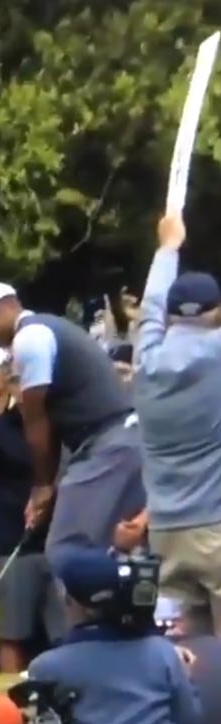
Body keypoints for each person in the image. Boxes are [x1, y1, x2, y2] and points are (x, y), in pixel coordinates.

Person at [0, 281, 144, 565]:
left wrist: (42, 488)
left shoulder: (29, 339)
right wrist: (46, 485)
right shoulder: (50, 327)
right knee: (113, 546)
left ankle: (96, 604)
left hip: (107, 444)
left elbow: (36, 420)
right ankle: (115, 604)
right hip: (123, 440)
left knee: (64, 550)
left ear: (0, 310)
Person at [135, 213, 221, 635]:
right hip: (215, 526)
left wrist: (168, 248)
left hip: (166, 532)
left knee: (189, 653)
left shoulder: (146, 362)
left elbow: (150, 309)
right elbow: (152, 311)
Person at [0, 341, 64, 673]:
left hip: (58, 541)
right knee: (12, 634)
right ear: (9, 384)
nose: (24, 387)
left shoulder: (59, 425)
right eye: (17, 380)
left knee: (63, 633)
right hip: (10, 544)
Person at [26, 549, 202, 724]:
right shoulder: (164, 654)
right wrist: (186, 677)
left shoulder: (45, 668)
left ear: (69, 600)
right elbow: (191, 718)